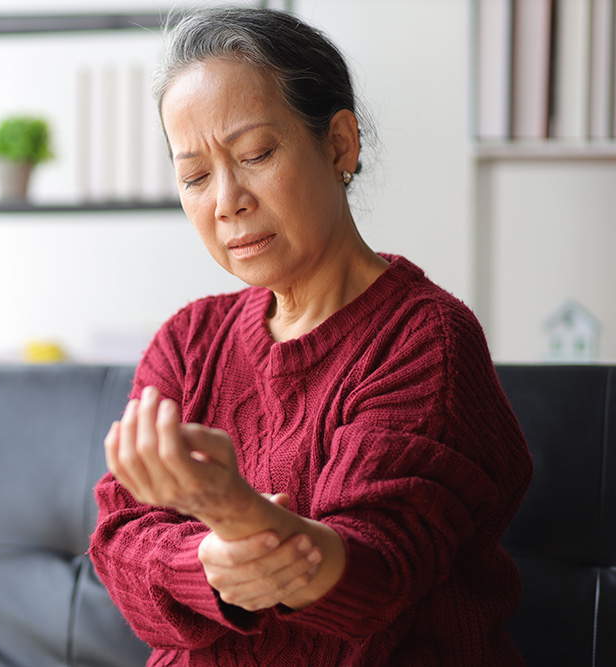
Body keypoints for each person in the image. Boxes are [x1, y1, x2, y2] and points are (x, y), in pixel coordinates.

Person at [88, 7, 533, 666]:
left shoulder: (425, 337)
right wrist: (209, 558)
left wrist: (235, 514)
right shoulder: (188, 341)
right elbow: (122, 550)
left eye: (255, 154)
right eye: (195, 177)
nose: (226, 201)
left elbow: (375, 576)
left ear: (340, 145)